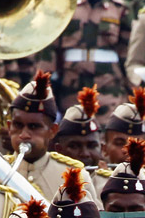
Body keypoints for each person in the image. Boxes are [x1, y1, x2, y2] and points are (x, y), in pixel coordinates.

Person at [55, 0, 131, 113]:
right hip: (71, 87)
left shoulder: (119, 10)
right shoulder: (67, 8)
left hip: (108, 89)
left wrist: (131, 86)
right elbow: (53, 48)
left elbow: (126, 52)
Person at [8, 71, 101, 203]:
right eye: (18, 125)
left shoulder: (75, 176)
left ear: (52, 131)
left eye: (34, 127)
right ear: (9, 127)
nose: (24, 135)